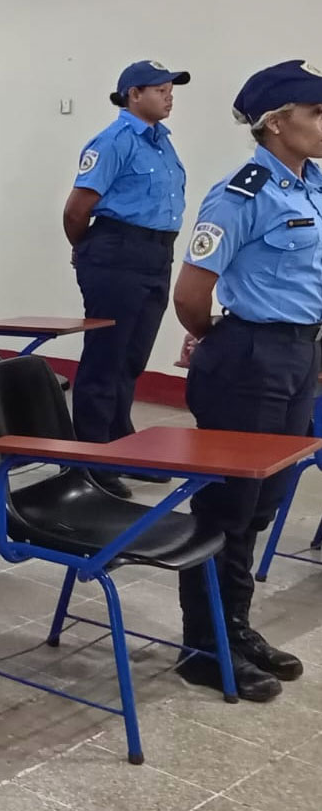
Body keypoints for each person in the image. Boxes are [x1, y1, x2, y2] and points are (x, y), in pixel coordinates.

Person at [169, 60, 322, 703]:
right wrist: (218, 342)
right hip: (250, 357)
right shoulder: (242, 192)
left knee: (262, 505)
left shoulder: (312, 185)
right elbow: (192, 292)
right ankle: (203, 645)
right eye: (316, 112)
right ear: (277, 122)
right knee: (227, 506)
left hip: (298, 355)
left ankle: (236, 625)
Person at [63, 60, 189, 498]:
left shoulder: (160, 143)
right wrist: (89, 253)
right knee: (105, 358)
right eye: (160, 89)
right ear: (134, 94)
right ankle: (91, 457)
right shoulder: (114, 141)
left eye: (172, 89)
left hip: (156, 253)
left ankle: (119, 442)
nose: (169, 95)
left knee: (132, 357)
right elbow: (77, 210)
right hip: (118, 250)